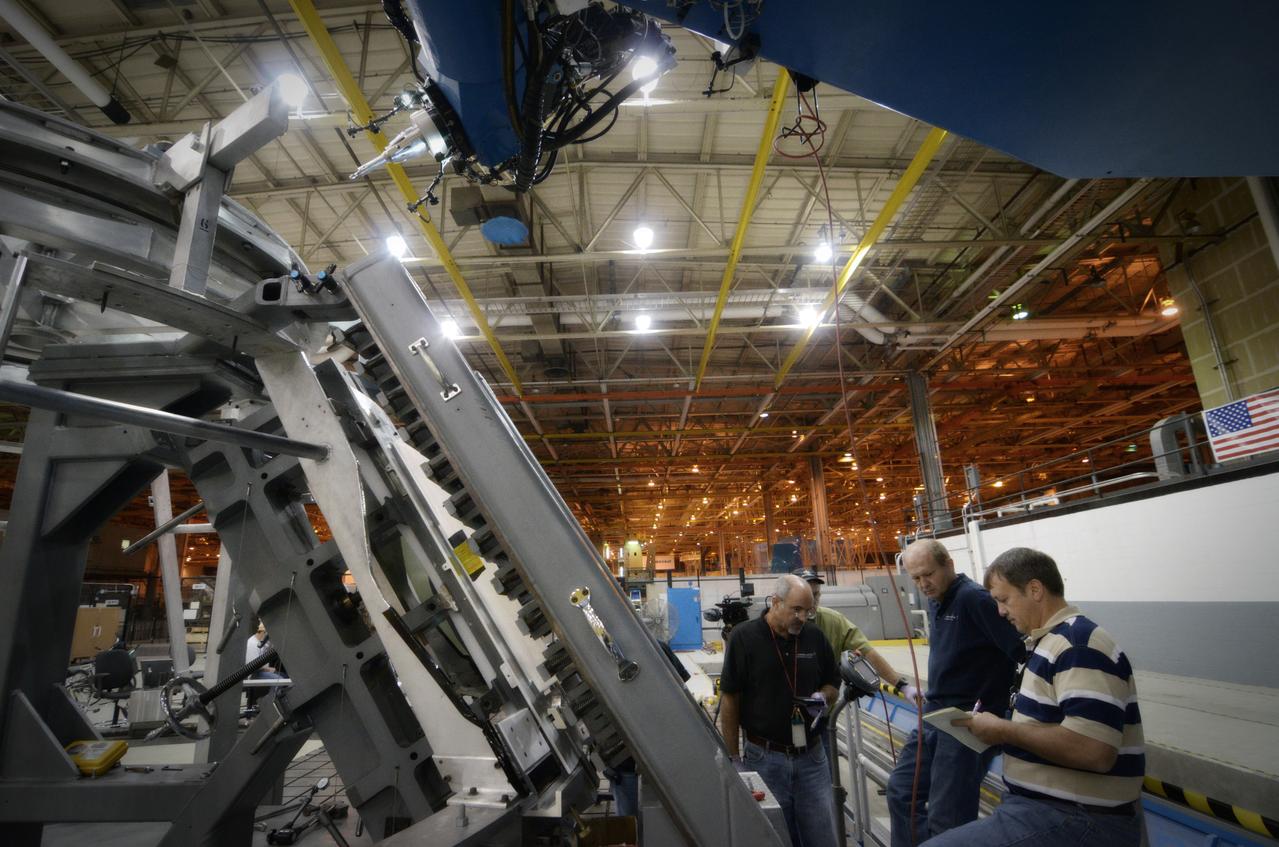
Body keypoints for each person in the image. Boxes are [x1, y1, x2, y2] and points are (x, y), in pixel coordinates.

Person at [924, 548, 1144, 846]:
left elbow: (1094, 750)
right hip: (1043, 809)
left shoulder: (1078, 646)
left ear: (1035, 590)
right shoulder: (1046, 644)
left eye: (1004, 600)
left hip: (1077, 817)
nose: (1000, 612)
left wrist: (1003, 731)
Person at [887, 539, 1025, 847]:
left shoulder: (974, 599)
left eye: (928, 574)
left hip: (966, 723)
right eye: (916, 578)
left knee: (947, 817)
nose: (923, 584)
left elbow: (1020, 650)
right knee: (901, 791)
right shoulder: (938, 600)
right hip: (934, 715)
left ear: (949, 565)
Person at [720, 574, 839, 847]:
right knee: (775, 837)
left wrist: (824, 696)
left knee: (823, 836)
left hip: (812, 759)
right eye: (796, 610)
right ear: (775, 602)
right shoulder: (744, 638)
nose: (802, 617)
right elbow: (730, 699)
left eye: (808, 611)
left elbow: (833, 681)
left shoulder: (814, 637)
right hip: (765, 759)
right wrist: (734, 758)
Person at [792, 567, 912, 693]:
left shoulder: (833, 621)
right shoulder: (779, 624)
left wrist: (902, 686)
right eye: (805, 595)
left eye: (815, 594)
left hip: (824, 699)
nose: (812, 601)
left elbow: (867, 652)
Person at [244, 622, 284, 709]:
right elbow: (252, 666)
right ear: (263, 632)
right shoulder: (252, 644)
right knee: (280, 680)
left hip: (263, 672)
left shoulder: (264, 643)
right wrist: (269, 669)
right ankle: (269, 705)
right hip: (255, 674)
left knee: (285, 676)